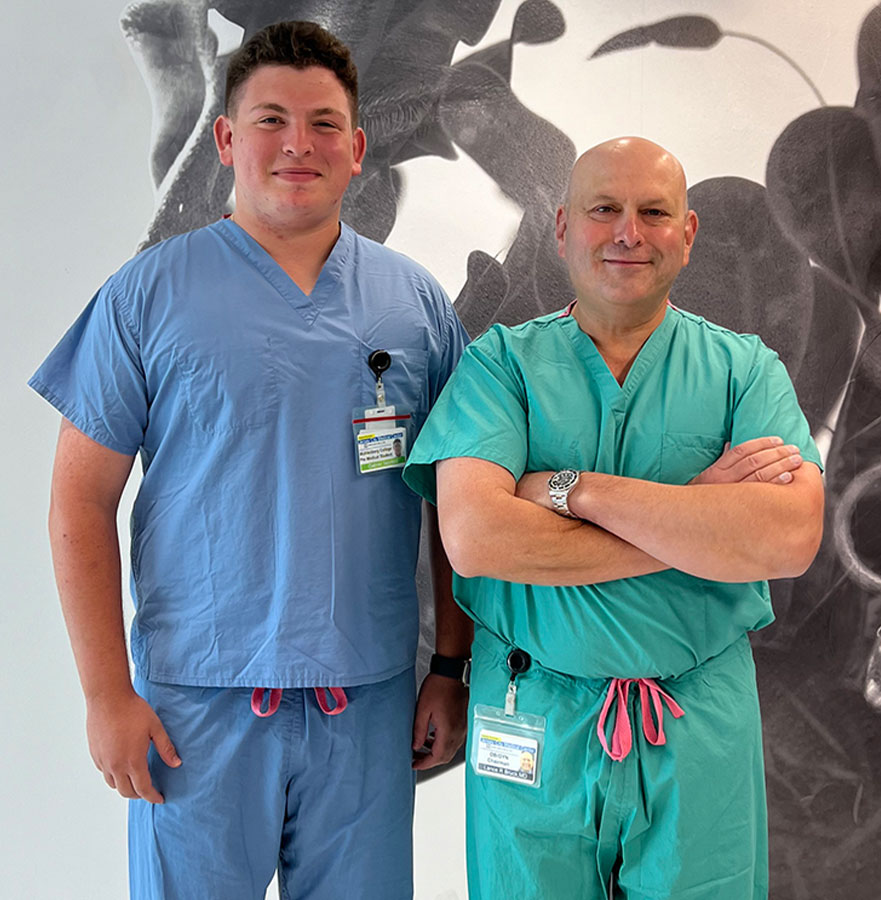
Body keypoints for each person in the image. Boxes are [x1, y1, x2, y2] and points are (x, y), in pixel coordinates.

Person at [29, 20, 471, 900]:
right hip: (194, 709)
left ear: (358, 147)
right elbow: (80, 501)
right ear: (227, 139)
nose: (298, 144)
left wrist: (450, 669)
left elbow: (457, 505)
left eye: (322, 122)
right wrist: (106, 696)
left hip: (367, 699)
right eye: (271, 119)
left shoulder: (413, 303)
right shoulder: (149, 293)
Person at [403, 136, 824, 899]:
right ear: (562, 227)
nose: (628, 232)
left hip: (696, 722)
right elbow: (476, 537)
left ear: (688, 235)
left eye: (654, 212)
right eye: (605, 209)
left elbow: (788, 537)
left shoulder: (745, 370)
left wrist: (575, 491)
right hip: (531, 715)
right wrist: (699, 525)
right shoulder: (501, 366)